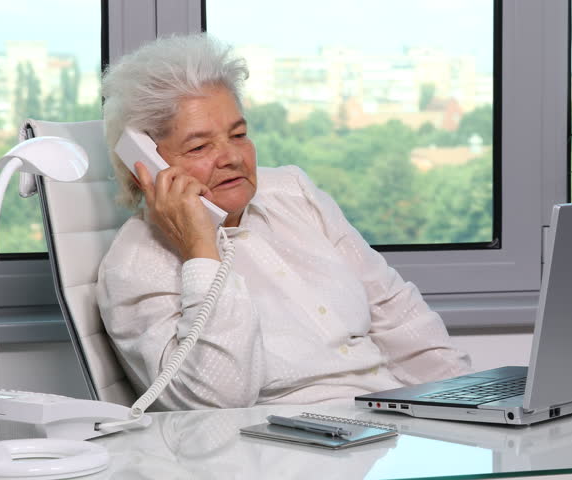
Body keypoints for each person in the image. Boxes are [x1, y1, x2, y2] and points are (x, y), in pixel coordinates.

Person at [96, 34, 471, 411]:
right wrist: (200, 250)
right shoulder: (134, 267)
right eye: (199, 147)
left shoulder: (293, 192)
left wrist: (466, 407)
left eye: (239, 135)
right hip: (285, 448)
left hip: (387, 421)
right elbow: (214, 406)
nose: (231, 157)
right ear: (143, 168)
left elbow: (394, 311)